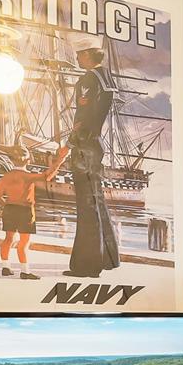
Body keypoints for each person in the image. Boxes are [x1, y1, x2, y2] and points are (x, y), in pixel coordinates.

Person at [65, 43, 120, 278]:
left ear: (87, 54)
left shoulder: (88, 79)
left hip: (84, 145)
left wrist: (72, 140)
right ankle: (108, 259)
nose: (76, 59)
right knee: (97, 202)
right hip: (96, 144)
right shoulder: (106, 76)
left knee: (86, 206)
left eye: (79, 55)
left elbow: (83, 116)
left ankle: (87, 265)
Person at [0, 145, 68, 280]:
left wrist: (6, 205)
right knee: (24, 243)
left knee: (8, 239)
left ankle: (5, 267)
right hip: (25, 211)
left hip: (9, 210)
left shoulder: (6, 177)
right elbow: (48, 175)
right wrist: (60, 159)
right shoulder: (28, 176)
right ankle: (25, 271)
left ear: (12, 160)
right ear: (28, 161)